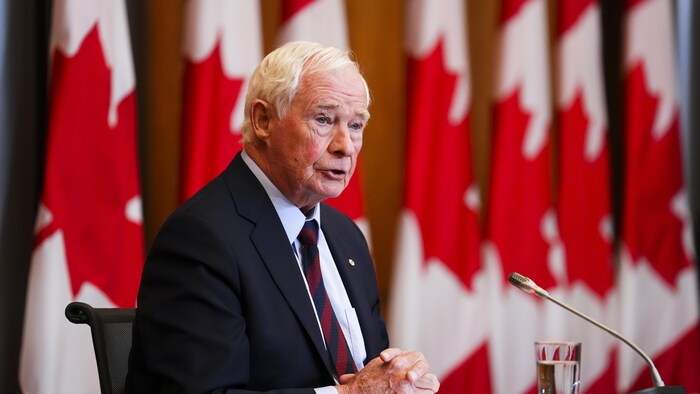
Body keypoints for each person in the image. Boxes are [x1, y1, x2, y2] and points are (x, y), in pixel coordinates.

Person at [126, 41, 440, 394]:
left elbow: (368, 372)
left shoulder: (345, 236)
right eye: (324, 119)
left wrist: (399, 380)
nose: (346, 146)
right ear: (263, 120)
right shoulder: (202, 238)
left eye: (356, 125)